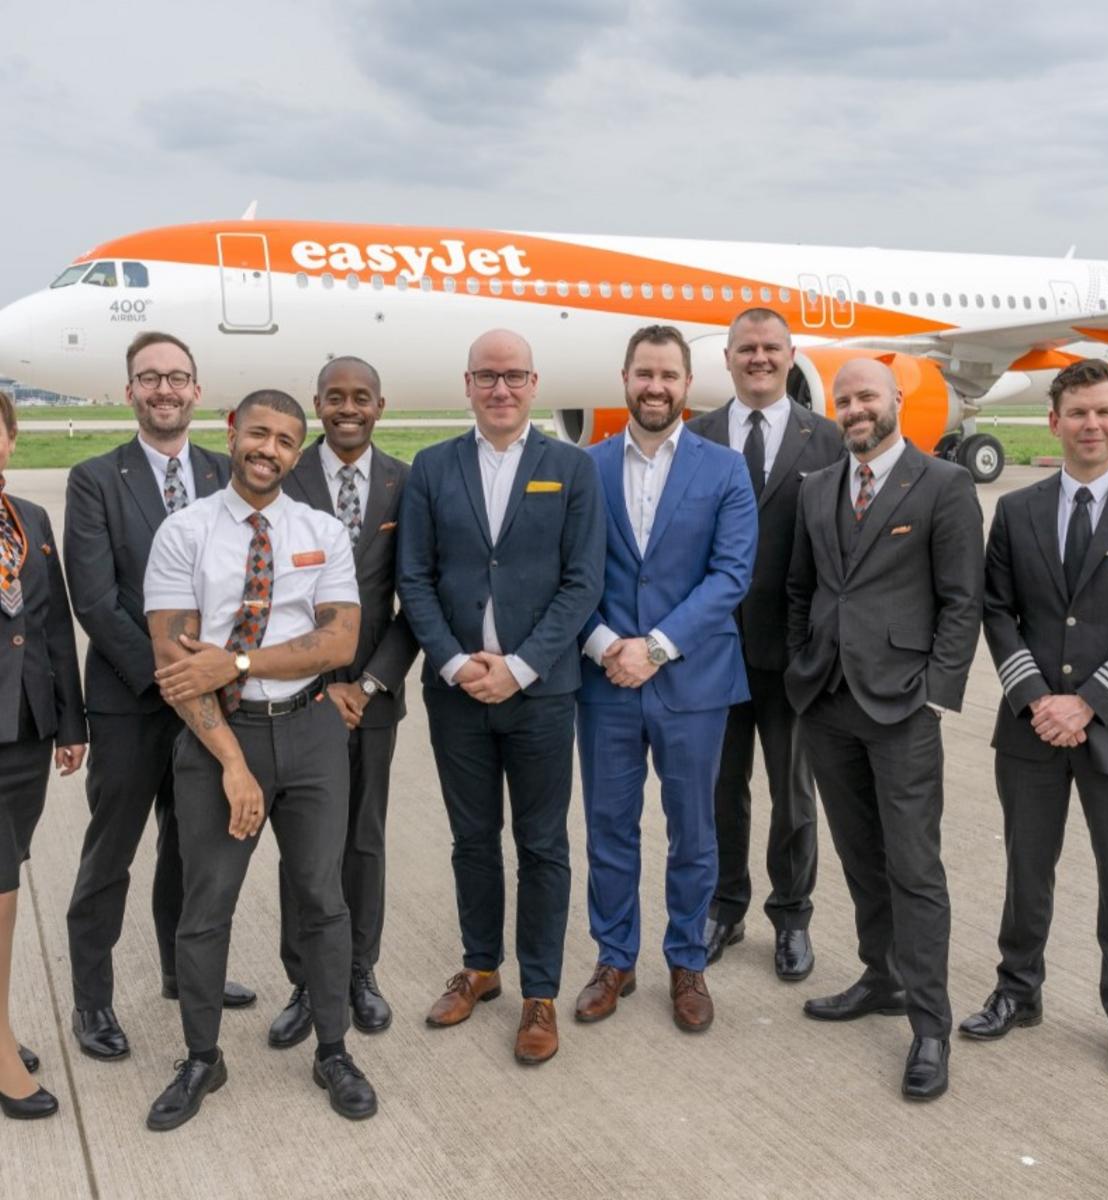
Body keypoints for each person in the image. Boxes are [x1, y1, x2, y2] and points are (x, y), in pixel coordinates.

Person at [142, 390, 374, 1131]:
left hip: (309, 734)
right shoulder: (184, 533)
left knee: (322, 898)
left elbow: (338, 643)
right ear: (231, 434)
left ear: (296, 451)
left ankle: (333, 1048)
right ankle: (202, 1058)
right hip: (218, 739)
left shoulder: (321, 530)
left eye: (284, 439)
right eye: (257, 433)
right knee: (206, 907)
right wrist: (232, 765)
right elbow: (178, 670)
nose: (268, 448)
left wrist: (236, 657)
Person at [960, 358, 1108, 1083]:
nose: (1090, 424)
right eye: (1077, 413)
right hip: (1030, 730)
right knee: (1028, 871)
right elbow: (998, 611)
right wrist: (1037, 700)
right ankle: (1017, 991)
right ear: (1053, 422)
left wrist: (1088, 702)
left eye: (1103, 412)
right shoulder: (1018, 512)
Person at [398, 330, 605, 1065]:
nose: (501, 389)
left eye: (513, 375)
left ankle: (540, 990)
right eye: (487, 376)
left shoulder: (571, 470)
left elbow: (583, 582)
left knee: (543, 845)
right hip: (456, 694)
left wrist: (519, 667)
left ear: (534, 382)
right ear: (468, 384)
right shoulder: (432, 468)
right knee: (472, 840)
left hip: (541, 693)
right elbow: (414, 579)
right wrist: (455, 665)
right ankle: (481, 966)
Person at [785, 357, 983, 1100]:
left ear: (896, 400)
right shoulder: (818, 487)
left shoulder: (943, 485)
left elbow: (962, 601)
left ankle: (930, 1024)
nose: (854, 409)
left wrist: (935, 691)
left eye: (867, 396)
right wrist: (806, 663)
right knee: (861, 856)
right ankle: (883, 976)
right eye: (843, 399)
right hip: (829, 702)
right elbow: (802, 588)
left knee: (915, 868)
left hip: (902, 706)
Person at [63, 332, 252, 1063]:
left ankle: (184, 972)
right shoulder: (95, 479)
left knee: (190, 849)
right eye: (149, 378)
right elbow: (97, 599)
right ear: (129, 392)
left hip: (213, 697)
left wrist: (221, 670)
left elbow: (243, 583)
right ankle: (92, 1000)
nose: (164, 389)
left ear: (197, 391)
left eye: (177, 377)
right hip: (132, 699)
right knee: (110, 855)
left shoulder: (224, 471)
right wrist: (173, 678)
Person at [573, 325, 757, 1034]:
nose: (656, 387)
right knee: (609, 828)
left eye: (669, 376)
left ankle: (687, 962)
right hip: (606, 682)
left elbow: (731, 575)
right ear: (625, 379)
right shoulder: (584, 466)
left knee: (694, 832)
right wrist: (603, 645)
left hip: (693, 683)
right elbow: (573, 573)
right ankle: (614, 958)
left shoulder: (724, 469)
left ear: (687, 383)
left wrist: (655, 646)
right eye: (644, 374)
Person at [268, 357, 419, 1048]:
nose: (348, 408)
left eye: (361, 397)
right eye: (335, 397)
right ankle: (305, 979)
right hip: (297, 697)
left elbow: (414, 597)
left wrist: (368, 683)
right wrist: (319, 680)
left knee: (363, 838)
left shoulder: (404, 485)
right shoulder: (284, 479)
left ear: (380, 406)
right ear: (318, 404)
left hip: (373, 697)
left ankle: (360, 971)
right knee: (303, 848)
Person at [689, 308, 842, 980]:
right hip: (714, 651)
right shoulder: (695, 437)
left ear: (790, 355)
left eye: (771, 348)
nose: (759, 358)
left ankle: (792, 915)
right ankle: (725, 905)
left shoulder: (829, 441)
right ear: (727, 359)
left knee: (793, 792)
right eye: (746, 348)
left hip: (795, 653)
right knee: (721, 790)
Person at [0, 390, 86, 1119]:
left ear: (11, 438)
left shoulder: (30, 519)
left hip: (25, 730)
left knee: (7, 869)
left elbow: (53, 626)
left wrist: (70, 723)